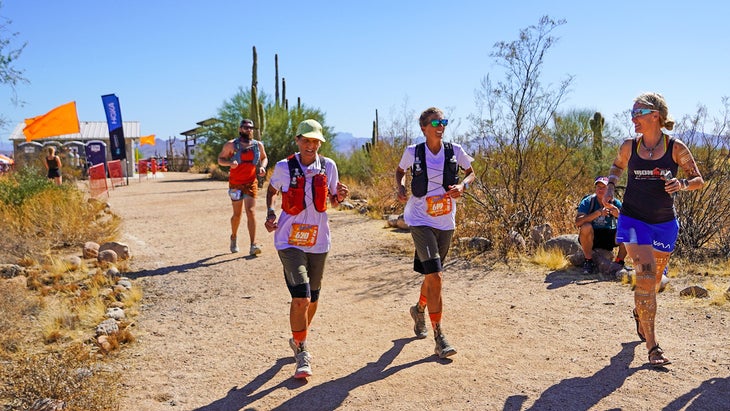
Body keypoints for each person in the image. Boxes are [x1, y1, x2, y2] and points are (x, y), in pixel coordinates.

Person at [603, 92, 704, 368]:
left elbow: (698, 179)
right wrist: (611, 186)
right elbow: (616, 167)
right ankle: (653, 346)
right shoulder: (629, 146)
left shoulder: (675, 148)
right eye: (632, 113)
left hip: (664, 224)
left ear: (655, 116)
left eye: (638, 113)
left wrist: (682, 185)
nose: (633, 118)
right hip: (633, 220)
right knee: (645, 276)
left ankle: (640, 313)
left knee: (654, 283)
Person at [264, 119, 349, 379]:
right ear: (298, 140)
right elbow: (271, 190)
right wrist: (269, 212)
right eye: (306, 140)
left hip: (319, 241)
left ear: (320, 143)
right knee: (301, 297)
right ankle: (302, 351)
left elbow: (333, 200)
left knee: (313, 298)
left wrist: (340, 197)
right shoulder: (283, 167)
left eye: (315, 141)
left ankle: (297, 336)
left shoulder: (329, 166)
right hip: (289, 239)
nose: (311, 145)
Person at [395, 107, 475, 359]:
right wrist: (400, 185)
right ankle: (440, 336)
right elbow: (399, 171)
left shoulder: (455, 151)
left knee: (432, 275)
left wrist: (463, 185)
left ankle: (419, 309)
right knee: (436, 275)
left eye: (443, 122)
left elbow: (471, 172)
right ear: (424, 128)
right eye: (436, 122)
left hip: (445, 221)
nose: (441, 126)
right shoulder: (413, 152)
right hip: (419, 218)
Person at [217, 119, 268, 255]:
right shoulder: (231, 145)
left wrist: (262, 167)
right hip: (236, 184)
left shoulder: (258, 145)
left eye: (251, 127)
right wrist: (230, 163)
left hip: (251, 182)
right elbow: (220, 159)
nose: (248, 130)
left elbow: (264, 158)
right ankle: (233, 237)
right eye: (245, 127)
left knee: (251, 212)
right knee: (237, 215)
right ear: (240, 129)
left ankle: (253, 244)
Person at [575, 176, 627, 274]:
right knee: (586, 227)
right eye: (598, 186)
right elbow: (578, 222)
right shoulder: (588, 201)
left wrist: (618, 215)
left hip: (609, 235)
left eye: (604, 187)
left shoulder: (615, 203)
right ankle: (588, 261)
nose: (600, 189)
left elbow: (629, 222)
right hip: (593, 235)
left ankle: (619, 262)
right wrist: (597, 213)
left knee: (628, 231)